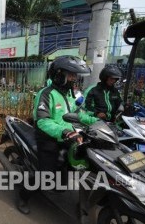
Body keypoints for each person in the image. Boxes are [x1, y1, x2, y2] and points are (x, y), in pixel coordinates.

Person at [17, 56, 97, 214]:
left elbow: (78, 114)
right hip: (48, 139)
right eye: (72, 75)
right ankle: (23, 197)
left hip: (68, 137)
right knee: (44, 175)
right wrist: (65, 131)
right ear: (59, 75)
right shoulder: (46, 94)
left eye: (75, 76)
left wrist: (96, 122)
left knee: (78, 162)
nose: (74, 79)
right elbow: (43, 121)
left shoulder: (68, 94)